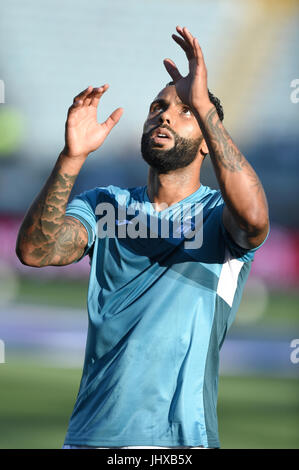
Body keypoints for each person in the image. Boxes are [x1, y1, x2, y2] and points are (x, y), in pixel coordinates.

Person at [16, 26, 269, 449]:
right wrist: (71, 157)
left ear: (208, 141)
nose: (165, 114)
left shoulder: (216, 217)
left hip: (180, 442)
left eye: (183, 110)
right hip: (89, 438)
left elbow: (255, 218)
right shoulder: (105, 205)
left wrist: (203, 103)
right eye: (158, 106)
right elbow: (34, 251)